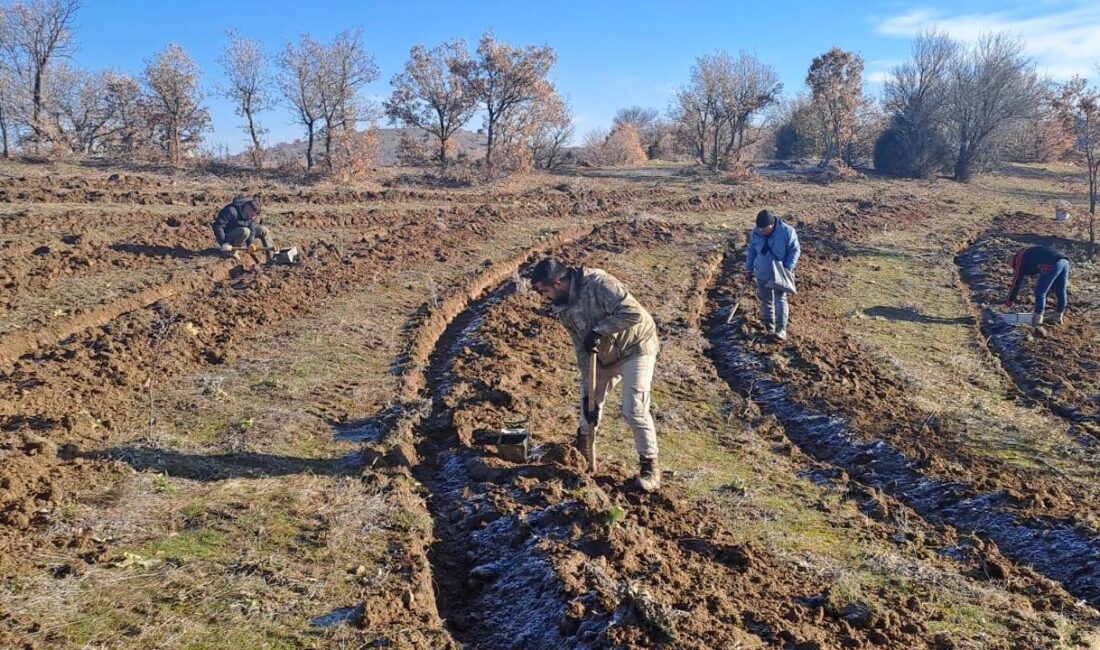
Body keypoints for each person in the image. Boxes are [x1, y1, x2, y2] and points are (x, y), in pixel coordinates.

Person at [529, 257, 661, 492]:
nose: (543, 297)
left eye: (544, 290)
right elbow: (581, 347)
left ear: (558, 282)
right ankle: (582, 454)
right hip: (604, 355)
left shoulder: (599, 283)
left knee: (634, 408)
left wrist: (599, 330)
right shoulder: (561, 308)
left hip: (636, 347)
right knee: (588, 405)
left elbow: (634, 314)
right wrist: (588, 386)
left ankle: (650, 467)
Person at [744, 209, 801, 340]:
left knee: (780, 299)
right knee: (766, 300)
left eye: (765, 229)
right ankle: (769, 327)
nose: (762, 231)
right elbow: (752, 250)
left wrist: (787, 268)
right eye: (760, 229)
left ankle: (781, 330)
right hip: (762, 270)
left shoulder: (787, 231)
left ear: (772, 224)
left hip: (780, 272)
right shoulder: (756, 232)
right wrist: (748, 269)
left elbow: (795, 250)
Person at [1003, 245, 1070, 326]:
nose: (1013, 268)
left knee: (1040, 292)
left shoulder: (1018, 260)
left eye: (1011, 265)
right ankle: (1058, 316)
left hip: (1052, 263)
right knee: (1061, 290)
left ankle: (1037, 318)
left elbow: (1016, 283)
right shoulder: (1026, 255)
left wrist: (1009, 301)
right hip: (1064, 261)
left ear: (1011, 260)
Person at [212, 197, 275, 262]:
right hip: (228, 235)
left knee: (264, 230)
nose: (253, 217)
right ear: (247, 210)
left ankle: (272, 258)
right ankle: (232, 252)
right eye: (252, 215)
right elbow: (218, 226)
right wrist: (224, 243)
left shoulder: (252, 215)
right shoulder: (231, 211)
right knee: (245, 231)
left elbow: (252, 228)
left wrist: (251, 244)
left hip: (242, 231)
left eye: (254, 216)